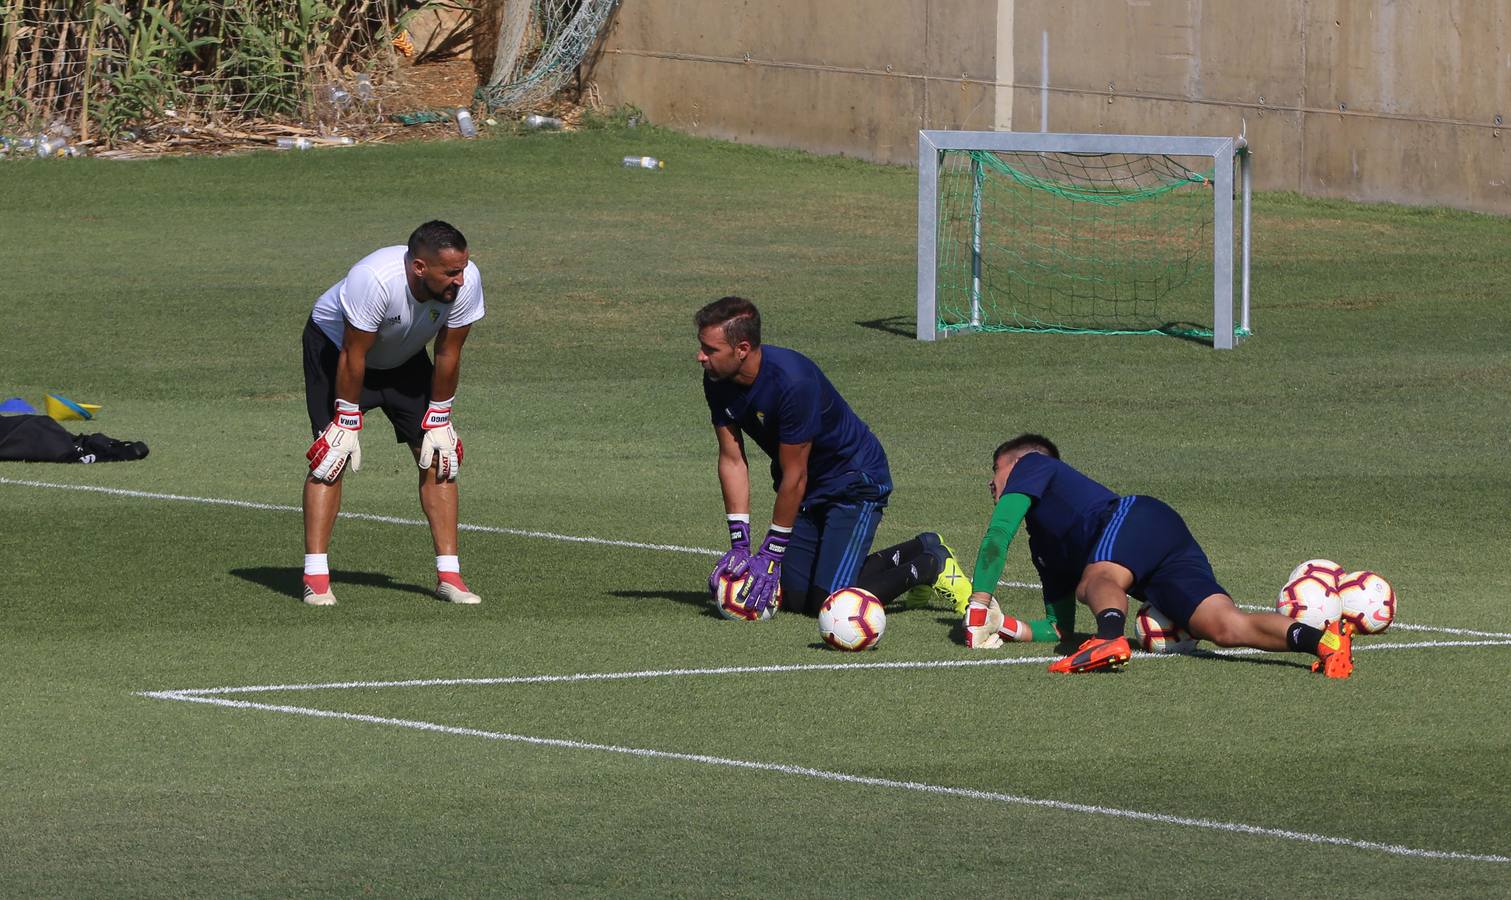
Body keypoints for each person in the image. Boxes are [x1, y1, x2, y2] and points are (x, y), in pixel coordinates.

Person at [961, 433, 1353, 677]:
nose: (990, 484)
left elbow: (998, 533)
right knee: (1223, 627)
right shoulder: (1043, 544)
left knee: (1097, 580)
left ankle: (1110, 638)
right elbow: (1058, 628)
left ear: (1016, 463)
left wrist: (978, 603)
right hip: (1156, 548)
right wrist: (1004, 624)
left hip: (1134, 518)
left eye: (995, 470)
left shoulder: (1033, 463)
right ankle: (1325, 644)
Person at [695, 296, 971, 616]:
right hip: (806, 488)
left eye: (710, 349)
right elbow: (732, 460)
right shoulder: (717, 380)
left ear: (742, 348)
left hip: (853, 484)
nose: (700, 356)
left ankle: (930, 563)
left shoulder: (793, 382)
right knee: (794, 598)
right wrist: (740, 545)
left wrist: (770, 554)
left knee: (829, 602)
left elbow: (795, 475)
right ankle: (919, 546)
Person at [300, 221, 486, 607]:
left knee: (440, 457)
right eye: (451, 272)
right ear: (420, 267)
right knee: (330, 457)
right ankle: (315, 578)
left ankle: (449, 576)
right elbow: (355, 354)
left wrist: (440, 416)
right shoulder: (374, 279)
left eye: (463, 268)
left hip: (403, 357)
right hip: (339, 353)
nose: (461, 279)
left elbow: (449, 353)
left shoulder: (465, 283)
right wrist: (347, 419)